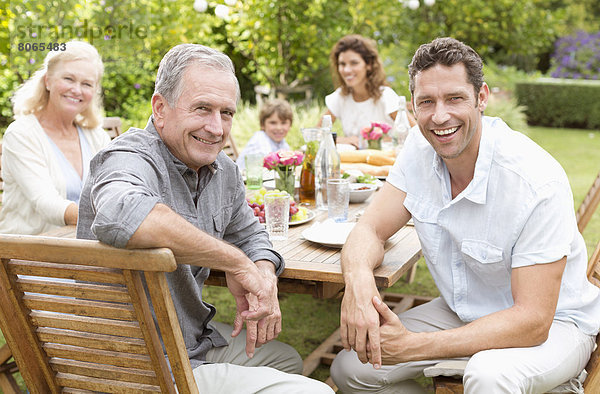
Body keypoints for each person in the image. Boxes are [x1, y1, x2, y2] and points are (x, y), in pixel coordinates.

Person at [331, 37, 600, 393]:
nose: (439, 116)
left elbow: (533, 320)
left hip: (555, 325)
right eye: (426, 102)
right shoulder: (418, 148)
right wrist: (358, 282)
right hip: (463, 310)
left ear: (482, 97)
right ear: (413, 106)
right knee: (351, 366)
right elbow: (370, 228)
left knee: (489, 375)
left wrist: (414, 346)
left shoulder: (534, 181)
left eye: (454, 98)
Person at [76, 43, 333, 393]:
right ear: (160, 108)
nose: (216, 128)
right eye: (202, 109)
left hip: (185, 339)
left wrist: (263, 270)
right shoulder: (127, 156)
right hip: (133, 362)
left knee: (284, 359)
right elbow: (125, 215)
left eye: (226, 113)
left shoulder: (222, 170)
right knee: (311, 391)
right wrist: (236, 264)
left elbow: (251, 234)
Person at [0, 40, 110, 235]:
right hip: (26, 253)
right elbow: (46, 203)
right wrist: (111, 220)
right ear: (47, 81)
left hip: (84, 246)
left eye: (86, 84)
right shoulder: (21, 134)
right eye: (68, 78)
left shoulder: (97, 137)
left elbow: (113, 192)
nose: (77, 90)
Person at [320, 34, 415, 148]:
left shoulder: (385, 96)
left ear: (369, 65)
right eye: (342, 64)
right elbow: (316, 133)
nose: (346, 70)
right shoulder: (340, 96)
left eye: (354, 63)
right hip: (355, 163)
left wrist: (389, 140)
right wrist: (342, 140)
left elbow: (416, 132)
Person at [236, 98, 293, 171]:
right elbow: (269, 166)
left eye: (283, 123)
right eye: (273, 123)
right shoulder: (260, 140)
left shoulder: (282, 143)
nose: (279, 128)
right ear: (263, 124)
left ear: (290, 125)